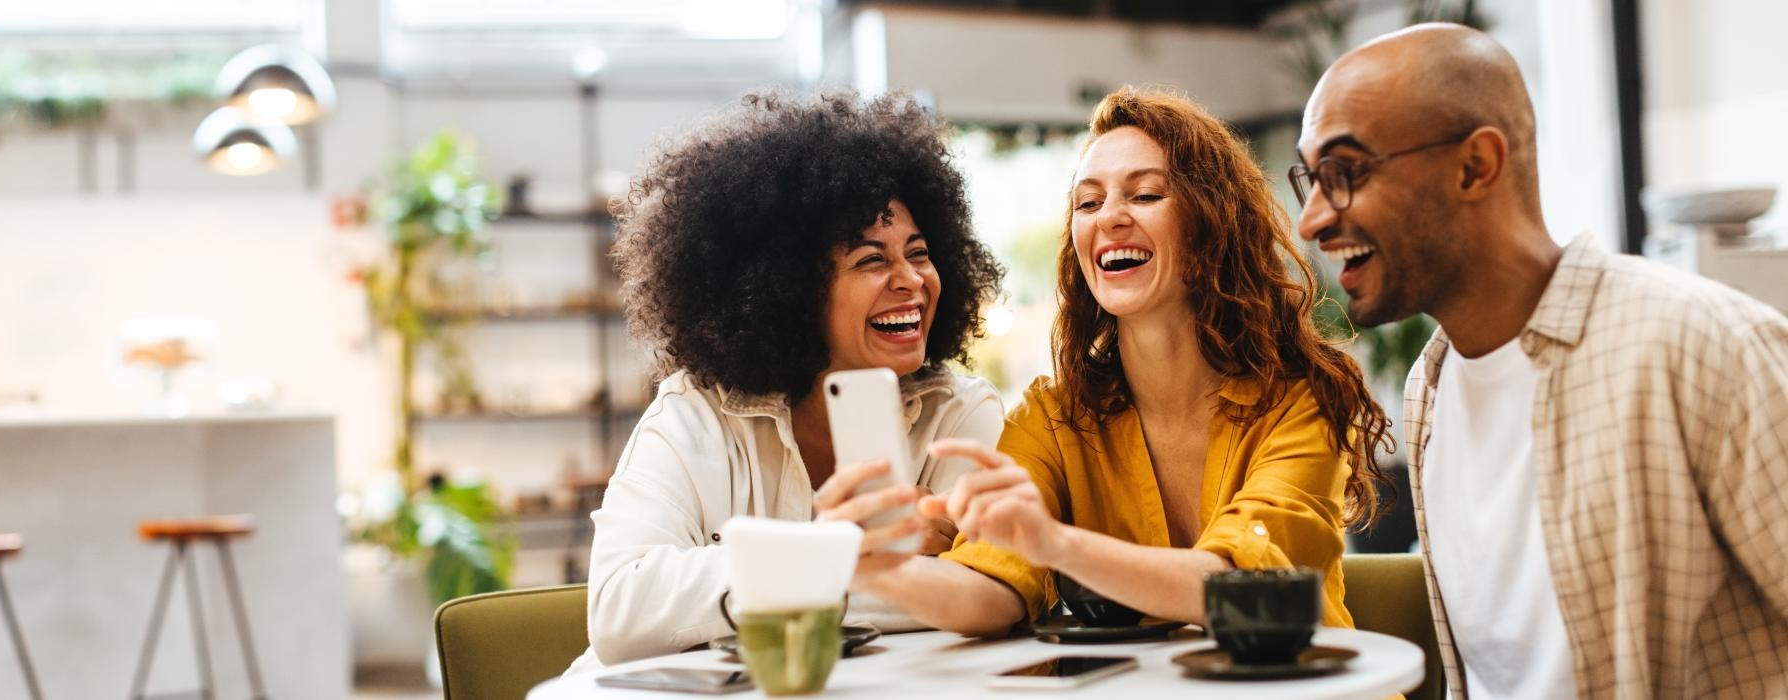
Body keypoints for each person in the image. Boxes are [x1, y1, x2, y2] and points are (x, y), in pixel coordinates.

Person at [1294, 23, 1788, 699]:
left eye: (1344, 173)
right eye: (1310, 180)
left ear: (1476, 166)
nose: (1311, 219)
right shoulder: (1428, 389)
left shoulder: (1700, 345)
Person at [827, 86, 1393, 635]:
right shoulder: (1051, 416)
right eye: (1088, 202)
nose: (1109, 218)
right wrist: (880, 569)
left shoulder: (1299, 400)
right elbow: (990, 592)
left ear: (1212, 225)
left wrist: (1053, 542)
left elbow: (1238, 585)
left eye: (1144, 195)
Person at [574, 91, 1006, 666]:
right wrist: (835, 550)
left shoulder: (960, 412)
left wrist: (766, 579)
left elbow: (990, 597)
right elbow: (620, 612)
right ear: (791, 290)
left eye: (919, 252)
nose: (911, 280)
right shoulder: (695, 413)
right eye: (870, 260)